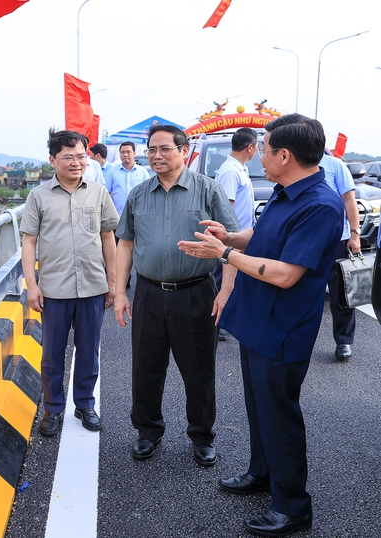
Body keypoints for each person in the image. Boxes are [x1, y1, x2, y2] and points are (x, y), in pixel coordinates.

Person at [178, 113, 343, 536]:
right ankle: (262, 473)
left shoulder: (320, 205)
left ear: (285, 155)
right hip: (257, 321)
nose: (260, 157)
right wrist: (230, 238)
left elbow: (286, 273)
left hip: (283, 329)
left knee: (280, 415)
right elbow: (265, 238)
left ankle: (292, 505)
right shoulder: (286, 193)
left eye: (266, 150)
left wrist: (223, 255)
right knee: (259, 410)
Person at [113, 124, 240, 467]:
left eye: (165, 149)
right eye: (151, 150)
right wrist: (120, 292)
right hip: (149, 294)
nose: (156, 156)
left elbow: (229, 241)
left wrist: (226, 289)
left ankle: (202, 436)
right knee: (145, 368)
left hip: (195, 293)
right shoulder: (138, 194)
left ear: (184, 151)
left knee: (199, 371)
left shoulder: (208, 190)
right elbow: (125, 243)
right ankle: (148, 432)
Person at [21, 129, 118, 437]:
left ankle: (85, 404)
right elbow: (29, 243)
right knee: (52, 353)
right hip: (54, 288)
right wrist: (32, 285)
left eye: (81, 157)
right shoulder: (39, 196)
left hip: (92, 285)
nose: (76, 163)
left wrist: (113, 282)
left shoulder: (98, 193)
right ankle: (52, 409)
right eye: (68, 157)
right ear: (53, 160)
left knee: (89, 351)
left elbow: (108, 238)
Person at [212, 127, 258, 341]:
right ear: (250, 147)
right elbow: (226, 208)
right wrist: (229, 238)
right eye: (258, 147)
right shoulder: (230, 171)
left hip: (242, 236)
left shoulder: (240, 168)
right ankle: (217, 321)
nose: (258, 151)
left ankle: (225, 318)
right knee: (222, 280)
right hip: (232, 236)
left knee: (234, 281)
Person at [320, 153, 361, 360]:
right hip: (307, 241)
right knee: (303, 292)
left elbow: (349, 200)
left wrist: (355, 234)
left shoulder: (334, 165)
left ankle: (343, 341)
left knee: (341, 293)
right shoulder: (295, 163)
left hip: (337, 240)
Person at [105, 141, 151, 217]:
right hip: (118, 216)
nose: (125, 155)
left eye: (128, 152)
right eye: (122, 152)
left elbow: (148, 193)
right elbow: (106, 193)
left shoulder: (142, 172)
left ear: (134, 153)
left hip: (138, 216)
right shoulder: (112, 172)